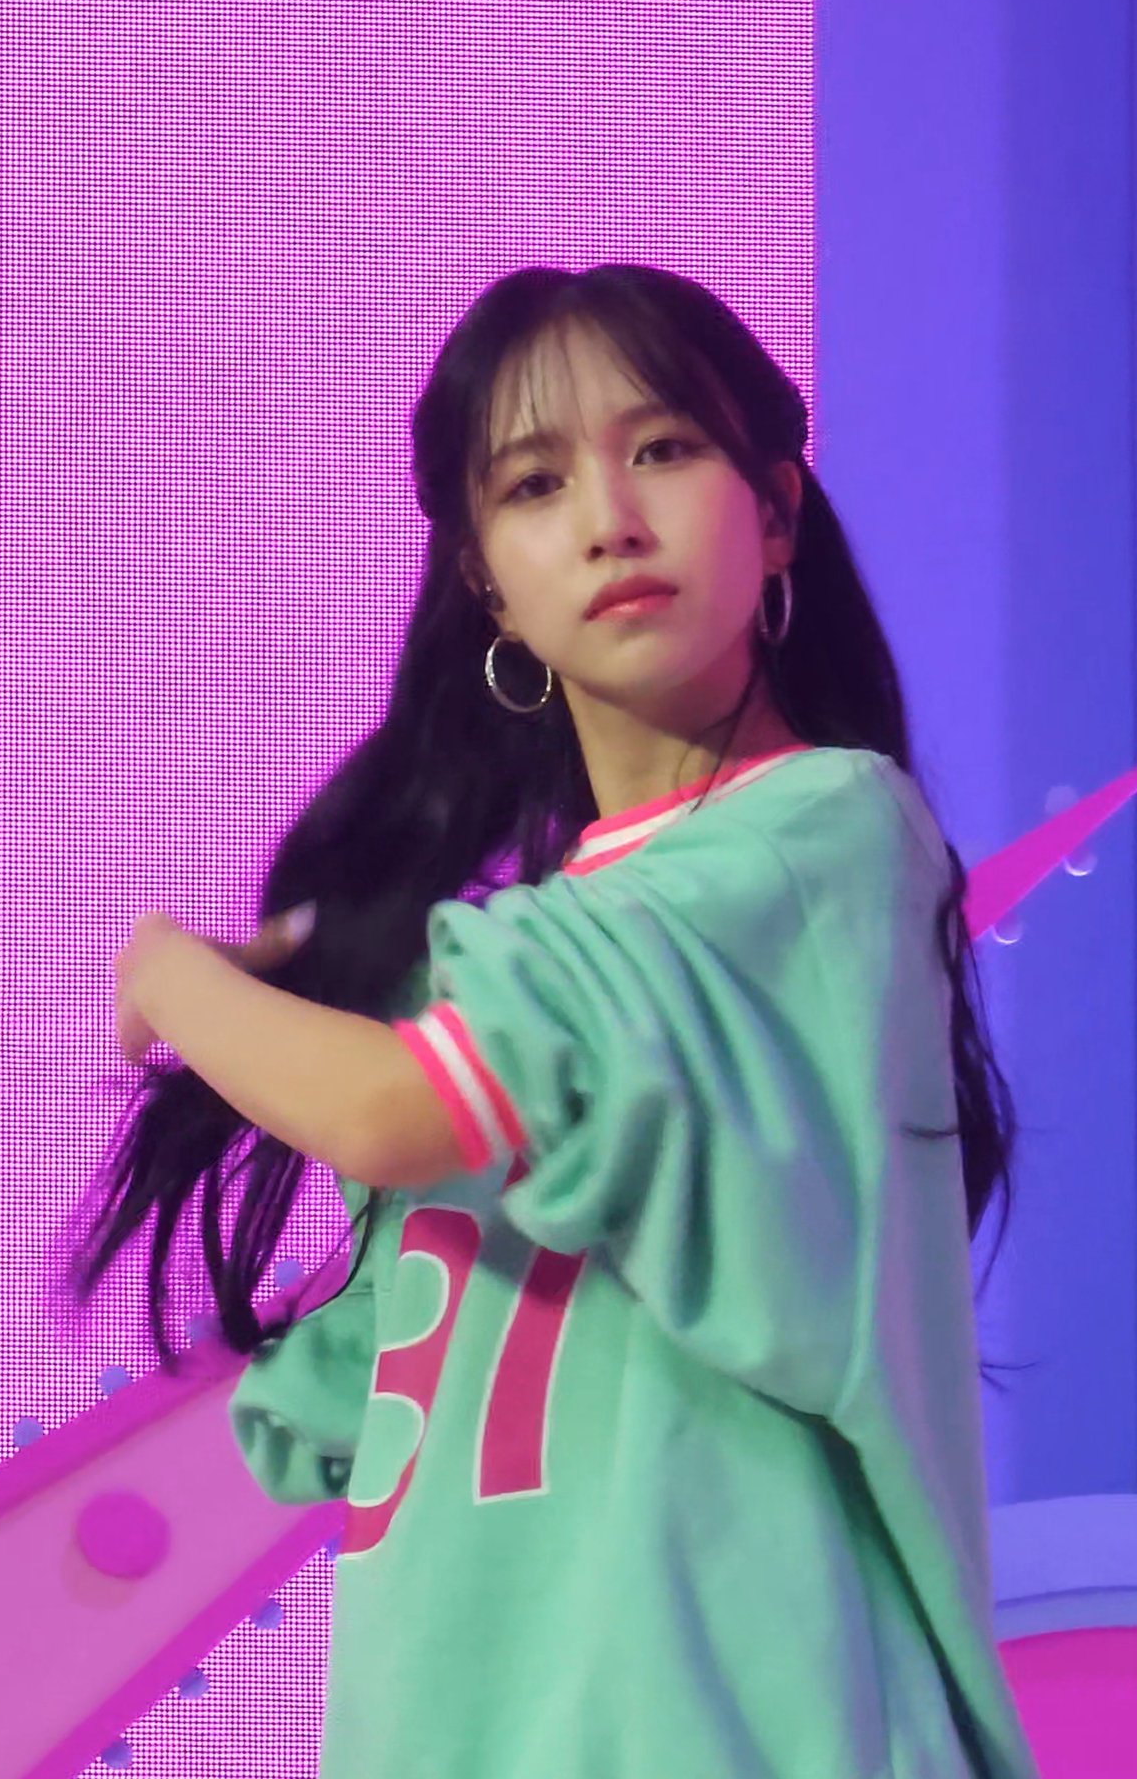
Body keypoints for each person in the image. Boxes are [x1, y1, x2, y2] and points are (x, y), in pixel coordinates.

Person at [67, 264, 1041, 1777]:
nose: (610, 518)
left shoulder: (818, 833)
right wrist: (343, 977)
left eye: (664, 448)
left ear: (777, 509)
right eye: (535, 483)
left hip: (724, 1721)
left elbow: (401, 1108)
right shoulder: (530, 954)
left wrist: (171, 976)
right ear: (485, 580)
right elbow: (368, 1395)